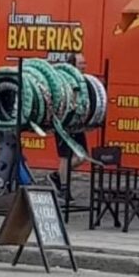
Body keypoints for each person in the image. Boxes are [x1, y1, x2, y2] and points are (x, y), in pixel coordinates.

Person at [49, 53, 88, 201]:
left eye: (84, 63)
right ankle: (64, 189)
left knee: (82, 156)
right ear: (73, 65)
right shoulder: (64, 79)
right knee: (65, 157)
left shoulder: (83, 80)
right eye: (81, 63)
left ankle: (57, 176)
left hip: (77, 124)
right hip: (63, 123)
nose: (84, 66)